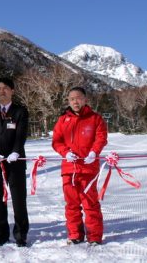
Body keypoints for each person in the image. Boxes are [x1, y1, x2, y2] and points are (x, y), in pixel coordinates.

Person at [52, 86, 108, 246]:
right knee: (72, 204)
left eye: (78, 98)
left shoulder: (95, 118)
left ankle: (95, 236)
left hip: (88, 169)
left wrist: (94, 153)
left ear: (85, 99)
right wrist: (65, 153)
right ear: (68, 101)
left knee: (90, 204)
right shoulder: (63, 120)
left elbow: (101, 138)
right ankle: (75, 234)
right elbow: (56, 141)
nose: (75, 101)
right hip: (69, 169)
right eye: (72, 99)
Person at [0, 77, 29, 247]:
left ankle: (20, 234)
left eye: (6, 88)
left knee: (18, 199)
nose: (2, 91)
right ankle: (1, 233)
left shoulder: (20, 112)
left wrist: (16, 151)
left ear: (12, 91)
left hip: (15, 162)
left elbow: (21, 134)